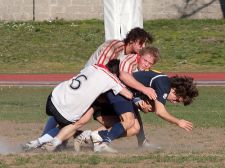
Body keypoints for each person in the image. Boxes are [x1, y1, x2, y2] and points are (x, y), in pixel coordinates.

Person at [40, 46, 160, 152]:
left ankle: (87, 137)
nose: (146, 64)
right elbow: (124, 81)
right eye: (145, 60)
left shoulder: (142, 71)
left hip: (110, 100)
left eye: (150, 63)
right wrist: (139, 97)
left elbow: (131, 93)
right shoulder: (129, 62)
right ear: (139, 56)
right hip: (101, 98)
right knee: (78, 121)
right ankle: (44, 141)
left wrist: (140, 102)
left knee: (131, 126)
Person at [23, 60, 133, 151]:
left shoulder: (93, 66)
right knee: (73, 125)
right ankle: (45, 142)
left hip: (54, 97)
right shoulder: (111, 79)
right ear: (116, 74)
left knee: (62, 118)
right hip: (67, 111)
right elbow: (128, 95)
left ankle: (37, 142)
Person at [90, 70, 199, 153]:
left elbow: (138, 90)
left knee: (135, 128)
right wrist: (178, 122)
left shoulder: (162, 82)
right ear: (174, 90)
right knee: (130, 122)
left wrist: (138, 101)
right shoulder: (164, 84)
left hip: (122, 93)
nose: (174, 103)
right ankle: (101, 139)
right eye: (177, 100)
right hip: (117, 91)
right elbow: (160, 112)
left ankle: (91, 136)